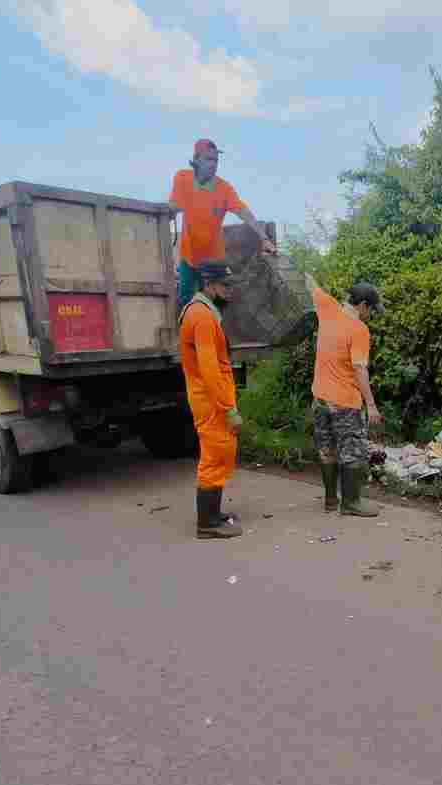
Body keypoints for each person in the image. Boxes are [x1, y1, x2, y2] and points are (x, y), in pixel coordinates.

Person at [168, 138, 276, 312]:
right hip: (189, 255)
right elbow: (174, 206)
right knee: (185, 302)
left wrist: (264, 238)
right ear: (196, 160)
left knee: (217, 304)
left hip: (214, 259)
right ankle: (187, 337)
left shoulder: (224, 189)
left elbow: (243, 212)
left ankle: (215, 336)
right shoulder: (182, 178)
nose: (213, 164)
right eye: (208, 159)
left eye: (216, 161)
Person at [179, 262, 244, 539]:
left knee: (221, 453)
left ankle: (214, 514)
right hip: (211, 400)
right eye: (225, 286)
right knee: (215, 456)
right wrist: (228, 409)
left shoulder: (202, 311)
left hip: (210, 397)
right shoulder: (202, 317)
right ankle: (206, 524)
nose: (229, 291)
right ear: (209, 285)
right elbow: (209, 369)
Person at [309, 277, 385, 517]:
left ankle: (331, 500)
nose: (371, 314)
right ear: (362, 305)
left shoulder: (327, 308)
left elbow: (309, 282)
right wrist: (371, 405)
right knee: (352, 452)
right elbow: (360, 369)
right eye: (371, 309)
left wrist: (272, 252)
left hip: (320, 399)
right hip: (345, 403)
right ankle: (351, 503)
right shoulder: (359, 330)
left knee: (327, 449)